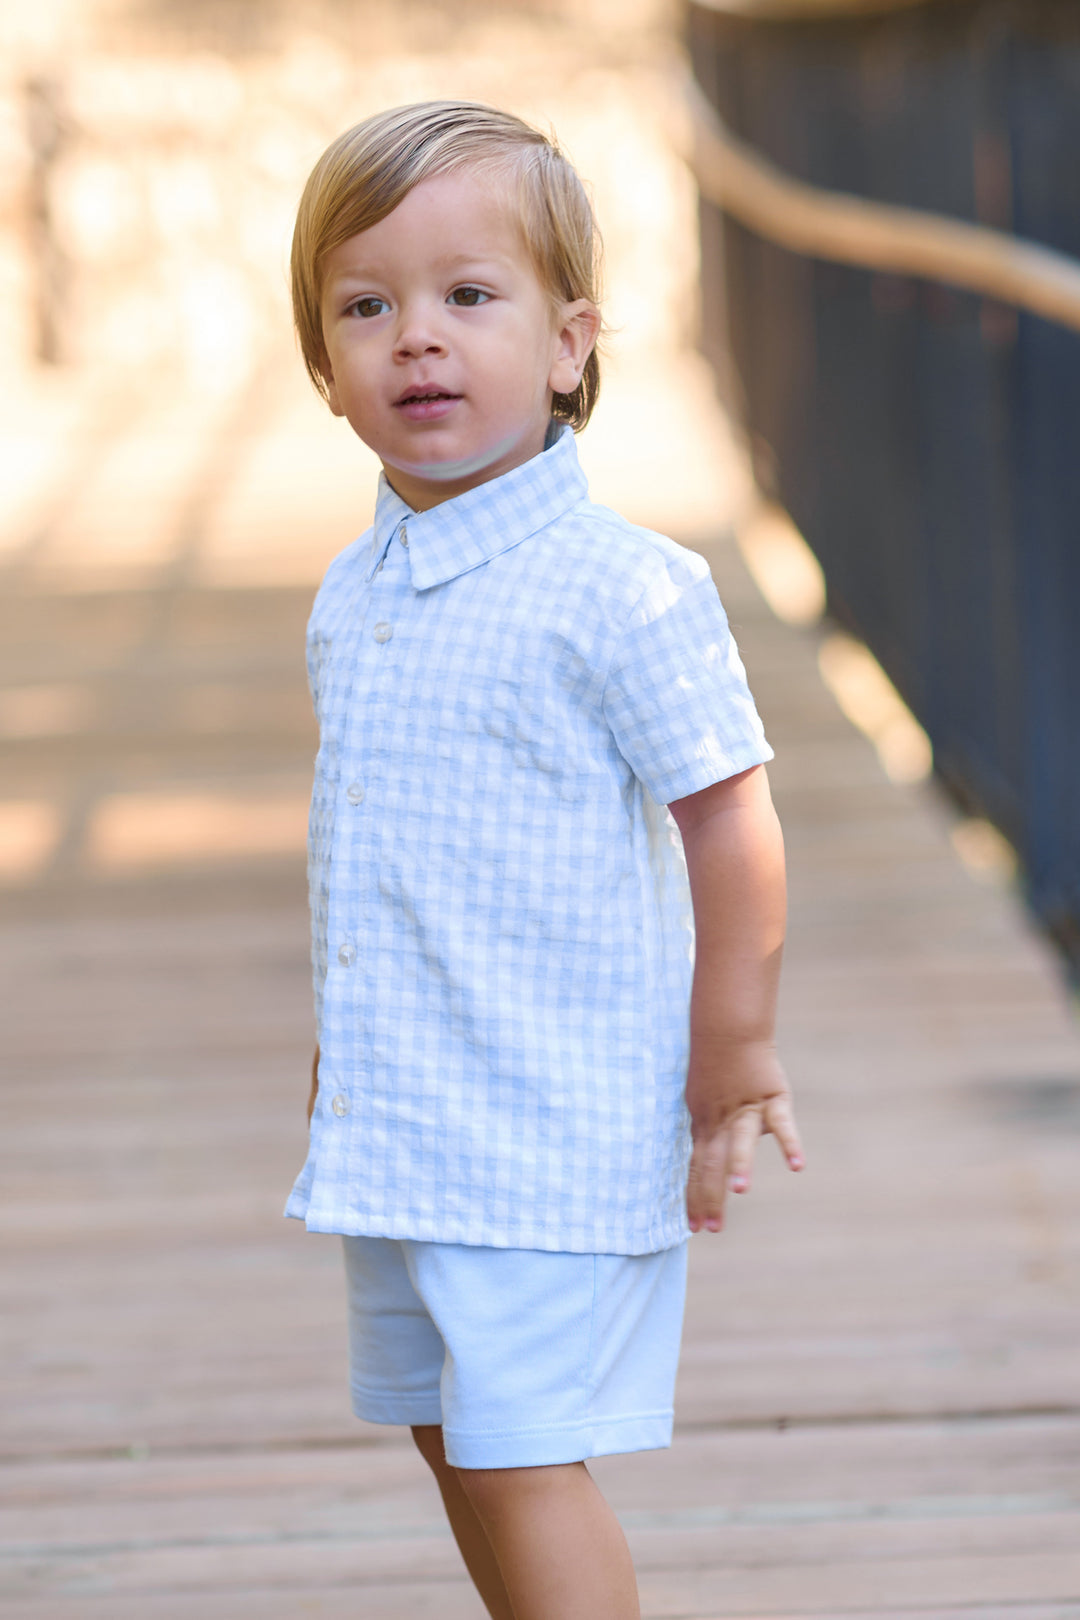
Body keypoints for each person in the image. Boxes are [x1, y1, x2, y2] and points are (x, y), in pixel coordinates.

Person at [285, 99, 803, 1620]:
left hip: (548, 1120)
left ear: (572, 343)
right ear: (325, 367)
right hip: (408, 1125)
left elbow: (732, 813)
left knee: (523, 1454)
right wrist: (344, 1047)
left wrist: (737, 1041)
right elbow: (367, 843)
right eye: (366, 307)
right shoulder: (354, 587)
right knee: (449, 1433)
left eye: (469, 296)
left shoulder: (622, 590)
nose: (416, 340)